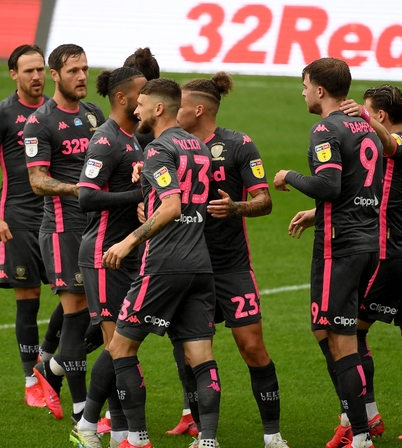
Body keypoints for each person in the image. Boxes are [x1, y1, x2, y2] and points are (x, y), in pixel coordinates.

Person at [102, 78, 221, 448]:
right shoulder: (200, 146)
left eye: (140, 104)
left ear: (158, 109)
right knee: (201, 356)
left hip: (164, 263)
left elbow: (172, 206)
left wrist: (129, 239)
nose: (134, 110)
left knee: (121, 349)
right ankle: (208, 440)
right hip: (200, 265)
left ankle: (136, 439)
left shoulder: (156, 149)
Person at [273, 57, 383, 448]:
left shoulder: (325, 128)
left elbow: (329, 186)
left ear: (320, 89)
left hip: (341, 248)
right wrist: (317, 215)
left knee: (341, 340)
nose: (302, 91)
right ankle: (361, 417)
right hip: (367, 240)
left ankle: (360, 434)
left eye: (304, 84)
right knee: (325, 329)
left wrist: (289, 177)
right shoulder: (366, 129)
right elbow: (355, 187)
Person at [177, 72, 288, 448]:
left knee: (252, 346)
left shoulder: (239, 145)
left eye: (179, 106)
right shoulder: (169, 145)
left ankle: (272, 435)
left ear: (199, 109)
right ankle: (202, 431)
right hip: (189, 264)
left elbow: (264, 201)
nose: (173, 112)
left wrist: (235, 206)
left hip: (231, 266)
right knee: (192, 351)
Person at [338, 86, 402, 442]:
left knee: (352, 333)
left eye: (368, 111)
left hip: (393, 255)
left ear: (380, 116)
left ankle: (368, 416)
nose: (362, 116)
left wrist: (364, 117)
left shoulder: (401, 145)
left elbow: (389, 144)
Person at [24, 43, 106, 422]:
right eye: (73, 70)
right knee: (78, 312)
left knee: (98, 310)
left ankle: (51, 366)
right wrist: (77, 189)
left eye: (85, 69)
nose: (82, 76)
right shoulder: (39, 122)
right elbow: (38, 181)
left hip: (98, 224)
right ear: (54, 75)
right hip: (62, 229)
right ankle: (81, 411)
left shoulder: (93, 115)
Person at [69, 66, 147, 448]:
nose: (146, 99)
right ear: (122, 98)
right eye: (141, 92)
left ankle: (116, 431)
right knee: (119, 345)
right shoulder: (106, 139)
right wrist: (137, 197)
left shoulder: (132, 139)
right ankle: (88, 425)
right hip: (103, 254)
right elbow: (86, 196)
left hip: (125, 253)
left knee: (122, 346)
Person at [0, 44, 51, 408]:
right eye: (29, 71)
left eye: (40, 69)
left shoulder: (59, 111)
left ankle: (49, 362)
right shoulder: (1, 114)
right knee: (28, 299)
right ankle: (30, 379)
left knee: (76, 295)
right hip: (18, 216)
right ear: (14, 75)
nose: (36, 77)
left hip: (61, 215)